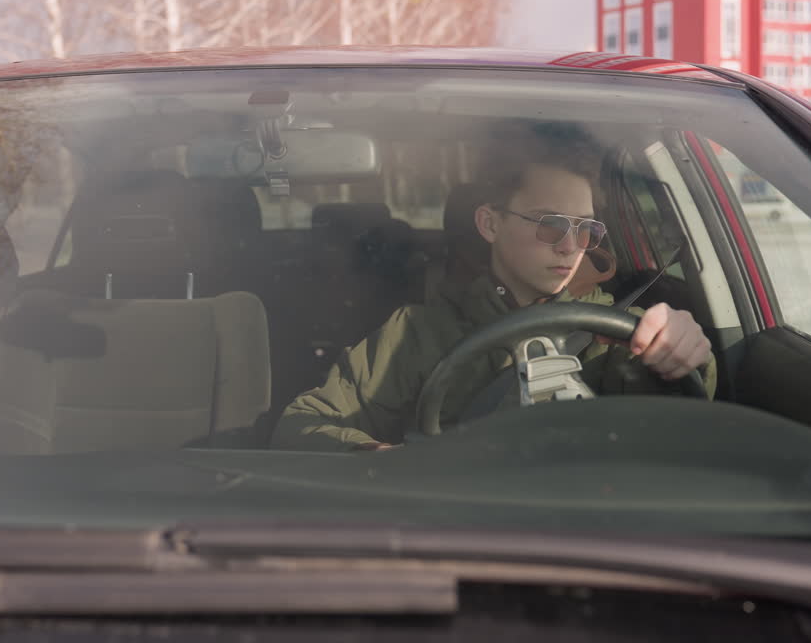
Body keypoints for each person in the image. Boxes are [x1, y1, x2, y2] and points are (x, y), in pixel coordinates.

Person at [270, 124, 717, 452]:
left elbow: (688, 418)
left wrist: (684, 348)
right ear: (490, 223)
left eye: (584, 228)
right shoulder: (420, 332)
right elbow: (301, 425)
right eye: (550, 224)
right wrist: (382, 459)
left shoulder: (621, 332)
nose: (570, 246)